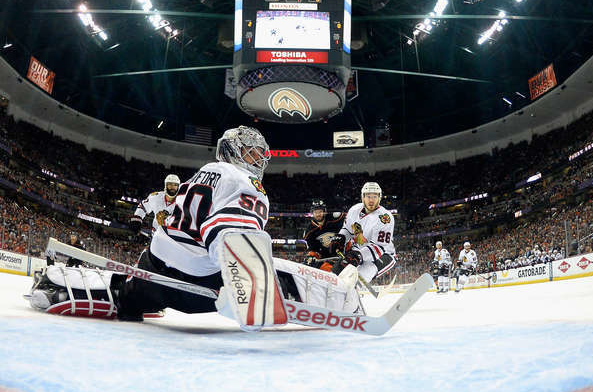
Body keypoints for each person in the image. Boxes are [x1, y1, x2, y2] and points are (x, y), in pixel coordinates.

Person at [28, 126, 363, 330]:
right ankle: (344, 298)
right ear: (233, 150)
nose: (258, 159)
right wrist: (245, 288)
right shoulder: (243, 181)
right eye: (251, 151)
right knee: (283, 270)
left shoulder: (202, 171)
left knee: (132, 295)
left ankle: (73, 284)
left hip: (153, 272)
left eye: (261, 153)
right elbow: (230, 234)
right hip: (198, 288)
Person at [328, 182, 396, 284]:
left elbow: (379, 247)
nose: (371, 200)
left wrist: (359, 255)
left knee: (355, 280)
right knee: (334, 274)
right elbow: (347, 229)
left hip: (383, 254)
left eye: (375, 196)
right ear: (362, 197)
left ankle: (352, 297)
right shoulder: (354, 210)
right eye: (368, 196)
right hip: (358, 251)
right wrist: (340, 239)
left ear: (379, 198)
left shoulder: (385, 218)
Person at [302, 199, 345, 267]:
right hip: (326, 260)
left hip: (343, 254)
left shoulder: (334, 219)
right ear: (312, 213)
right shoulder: (309, 231)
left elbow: (348, 221)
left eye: (320, 212)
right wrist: (312, 256)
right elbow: (313, 249)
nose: (318, 214)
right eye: (316, 212)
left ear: (324, 212)